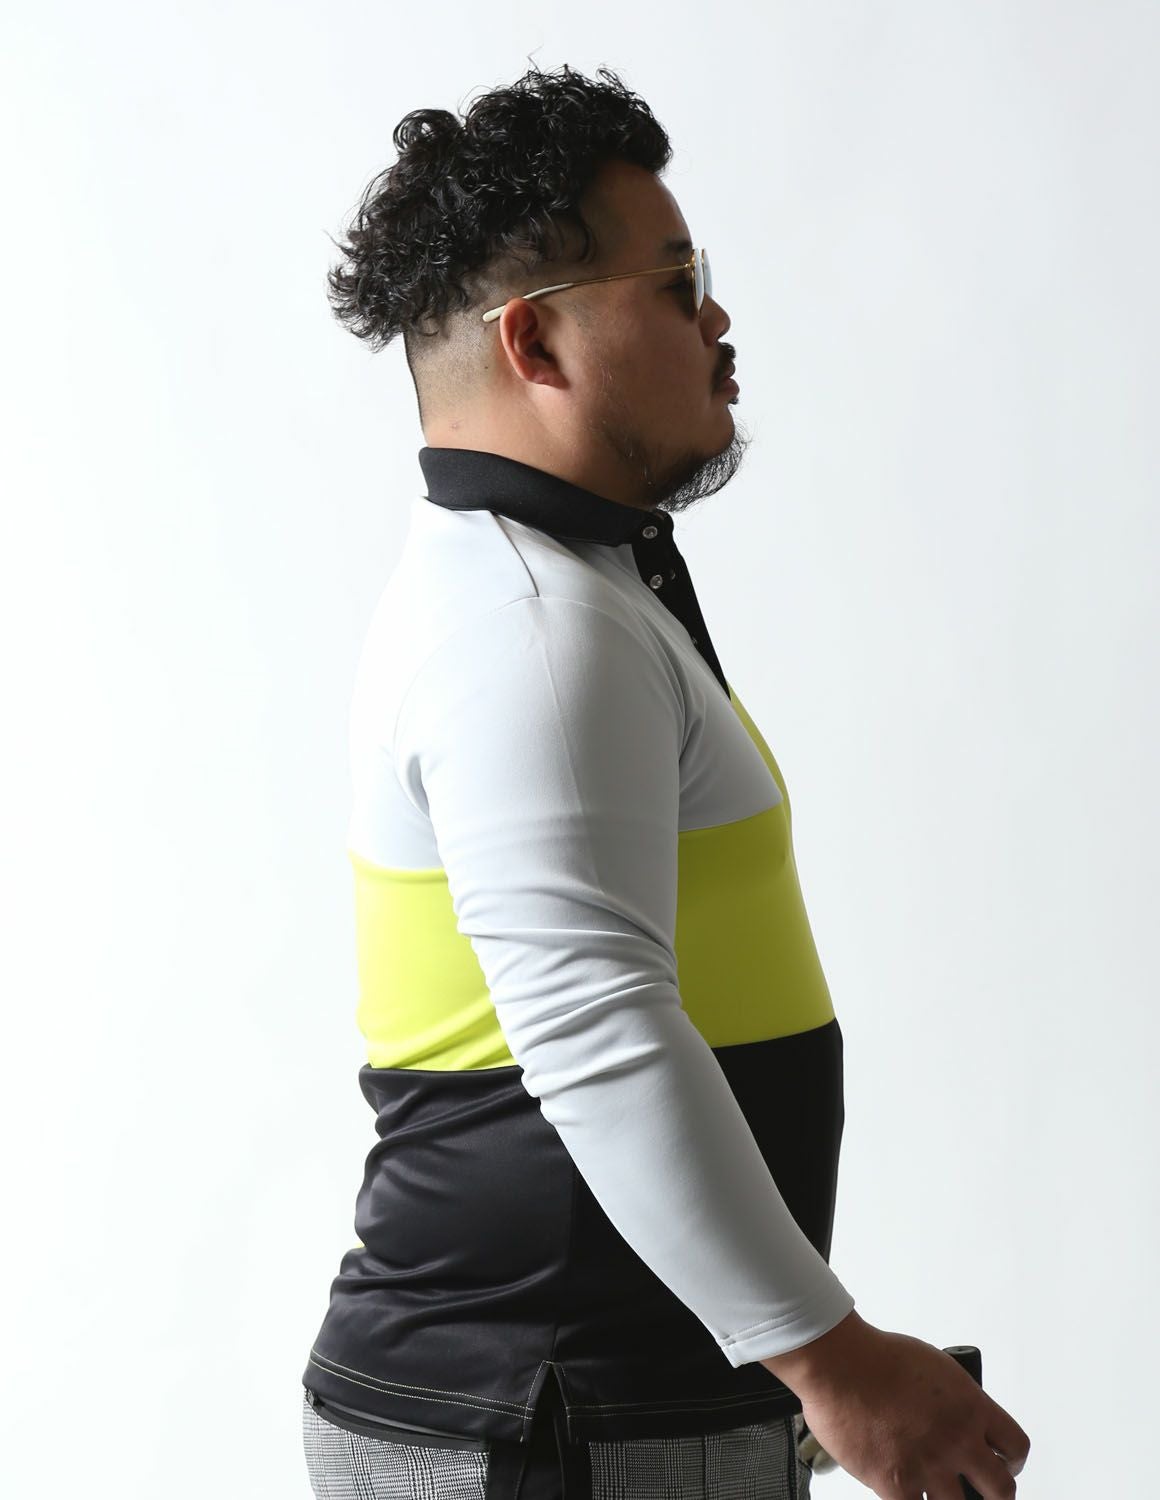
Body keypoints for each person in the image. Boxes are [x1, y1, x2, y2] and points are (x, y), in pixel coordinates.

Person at [301, 61, 1031, 1500]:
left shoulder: (552, 590)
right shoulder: (530, 628)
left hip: (589, 1404)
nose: (718, 319)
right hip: (547, 1416)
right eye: (678, 281)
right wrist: (831, 1358)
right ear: (536, 341)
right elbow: (594, 1026)